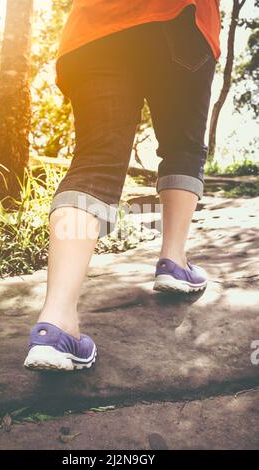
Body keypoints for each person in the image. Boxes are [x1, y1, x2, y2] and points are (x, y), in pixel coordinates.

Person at [24, 1, 221, 371]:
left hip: (93, 29)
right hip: (179, 17)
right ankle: (174, 262)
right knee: (182, 146)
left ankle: (55, 322)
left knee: (95, 159)